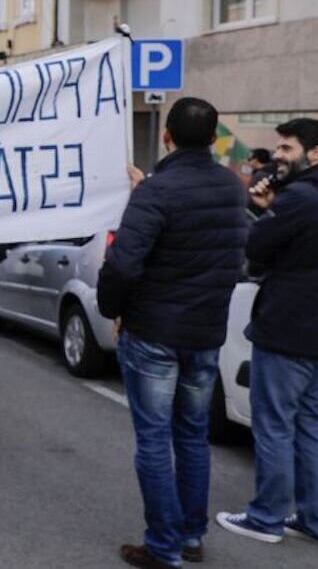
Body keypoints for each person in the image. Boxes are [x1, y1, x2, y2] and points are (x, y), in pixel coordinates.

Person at [97, 97, 248, 569]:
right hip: (204, 333)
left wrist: (111, 308)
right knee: (192, 437)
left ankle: (162, 546)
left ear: (167, 137)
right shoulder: (231, 186)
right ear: (213, 137)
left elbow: (123, 264)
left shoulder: (157, 192)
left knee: (154, 440)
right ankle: (190, 536)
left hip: (154, 333)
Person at [217, 119, 318, 549]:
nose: (279, 156)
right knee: (309, 427)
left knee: (274, 427)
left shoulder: (302, 197)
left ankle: (266, 518)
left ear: (316, 152)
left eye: (286, 148)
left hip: (287, 328)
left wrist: (267, 210)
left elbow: (256, 248)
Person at [245, 149, 277, 217]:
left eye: (249, 159)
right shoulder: (272, 172)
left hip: (254, 214)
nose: (247, 161)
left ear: (255, 160)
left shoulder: (260, 175)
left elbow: (250, 196)